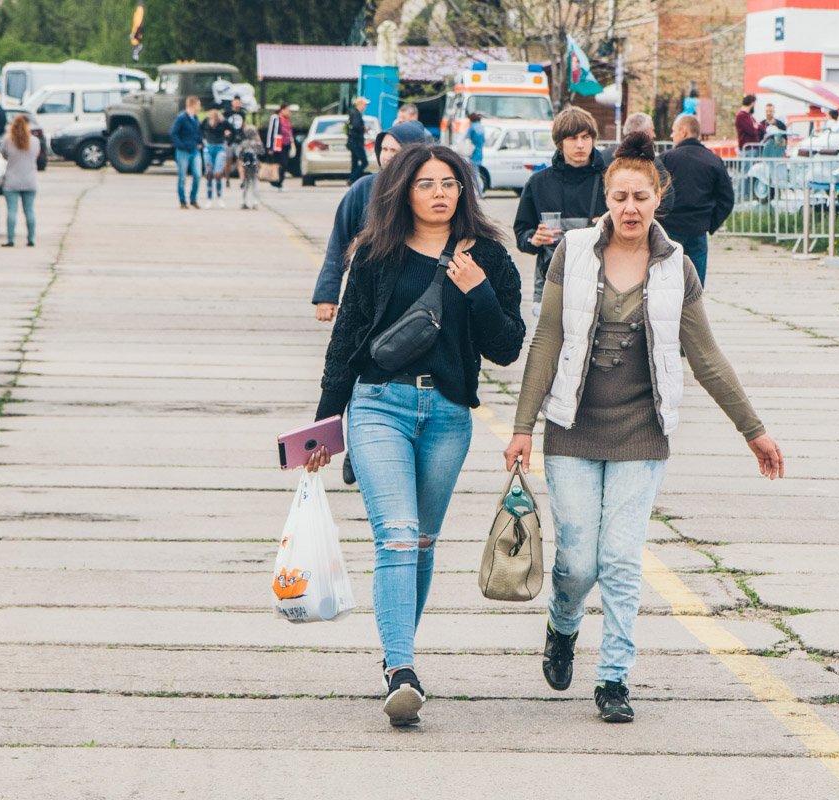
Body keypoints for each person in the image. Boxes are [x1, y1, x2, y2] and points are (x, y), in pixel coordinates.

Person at [504, 131, 783, 724]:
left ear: (660, 198)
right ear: (606, 198)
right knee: (579, 560)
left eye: (642, 197)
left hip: (642, 432)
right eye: (620, 196)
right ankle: (563, 623)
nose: (631, 208)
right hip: (573, 430)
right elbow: (547, 339)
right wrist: (523, 425)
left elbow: (704, 355)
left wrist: (752, 430)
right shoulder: (572, 253)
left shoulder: (676, 266)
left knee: (622, 559)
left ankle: (614, 677)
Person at [307, 143, 525, 727]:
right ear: (404, 189)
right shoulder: (377, 255)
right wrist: (326, 429)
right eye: (426, 183)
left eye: (449, 183)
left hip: (449, 415)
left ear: (464, 190)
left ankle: (397, 654)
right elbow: (346, 343)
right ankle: (401, 671)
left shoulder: (492, 259)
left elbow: (506, 348)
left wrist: (477, 289)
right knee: (398, 537)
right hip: (380, 405)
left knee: (423, 542)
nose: (438, 193)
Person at [312, 120, 432, 321]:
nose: (386, 155)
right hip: (370, 291)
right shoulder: (364, 189)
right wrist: (326, 295)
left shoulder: (430, 190)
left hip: (419, 293)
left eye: (394, 149)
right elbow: (339, 242)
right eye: (383, 149)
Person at [514, 107, 608, 316]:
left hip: (601, 287)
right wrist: (534, 238)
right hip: (552, 286)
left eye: (586, 137)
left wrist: (610, 224)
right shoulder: (539, 183)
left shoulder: (610, 181)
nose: (580, 144)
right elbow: (522, 235)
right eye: (572, 138)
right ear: (560, 142)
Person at [658, 113, 734, 286]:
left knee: (666, 282)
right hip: (698, 229)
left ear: (684, 132)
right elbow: (727, 199)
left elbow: (654, 192)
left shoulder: (667, 159)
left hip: (669, 228)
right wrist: (710, 223)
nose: (672, 135)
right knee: (695, 286)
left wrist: (659, 219)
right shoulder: (713, 160)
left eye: (673, 131)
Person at [0, 114, 39, 248]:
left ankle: (10, 239)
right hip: (29, 179)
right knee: (29, 210)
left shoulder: (8, 140)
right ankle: (31, 238)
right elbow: (36, 156)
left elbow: (3, 155)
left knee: (12, 211)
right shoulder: (34, 141)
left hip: (12, 180)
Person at [171, 96, 203, 209]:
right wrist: (181, 145)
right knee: (182, 177)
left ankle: (193, 198)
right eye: (198, 104)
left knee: (197, 174)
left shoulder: (195, 118)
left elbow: (198, 132)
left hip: (194, 150)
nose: (200, 106)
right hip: (183, 151)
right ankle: (182, 201)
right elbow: (173, 133)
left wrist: (200, 142)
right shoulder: (181, 118)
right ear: (192, 105)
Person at [201, 107, 230, 208]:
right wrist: (202, 141)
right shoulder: (206, 121)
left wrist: (228, 141)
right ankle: (209, 198)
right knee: (209, 173)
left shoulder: (223, 122)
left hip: (220, 147)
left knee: (218, 173)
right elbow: (199, 130)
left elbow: (233, 131)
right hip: (209, 147)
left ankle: (219, 196)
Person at [265, 102, 294, 191]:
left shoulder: (287, 119)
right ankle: (274, 183)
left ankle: (280, 182)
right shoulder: (275, 118)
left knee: (284, 164)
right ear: (282, 110)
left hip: (286, 144)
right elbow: (271, 131)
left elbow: (289, 132)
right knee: (277, 165)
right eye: (288, 110)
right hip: (277, 144)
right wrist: (269, 147)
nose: (289, 112)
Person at [238, 126, 264, 210]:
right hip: (255, 166)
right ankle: (255, 201)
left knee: (246, 184)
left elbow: (239, 155)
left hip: (245, 166)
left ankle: (244, 201)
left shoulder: (244, 143)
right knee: (255, 183)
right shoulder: (257, 144)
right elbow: (262, 152)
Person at [347, 96, 370, 185]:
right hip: (356, 142)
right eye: (364, 105)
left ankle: (352, 180)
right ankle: (353, 178)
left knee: (355, 162)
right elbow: (356, 126)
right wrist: (364, 128)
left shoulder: (353, 113)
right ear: (359, 104)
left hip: (353, 141)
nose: (365, 107)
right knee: (364, 162)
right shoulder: (356, 114)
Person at [223, 95, 247, 179]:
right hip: (229, 140)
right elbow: (222, 125)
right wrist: (224, 132)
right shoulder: (227, 113)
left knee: (240, 160)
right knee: (228, 161)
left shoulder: (242, 114)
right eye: (235, 102)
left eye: (238, 102)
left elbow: (243, 125)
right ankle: (227, 178)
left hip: (239, 139)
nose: (237, 104)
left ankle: (242, 180)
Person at [466, 112, 485, 197]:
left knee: (474, 174)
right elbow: (484, 140)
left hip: (473, 153)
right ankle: (480, 191)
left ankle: (478, 192)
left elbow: (467, 138)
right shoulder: (481, 127)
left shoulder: (472, 127)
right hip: (480, 153)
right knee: (477, 172)